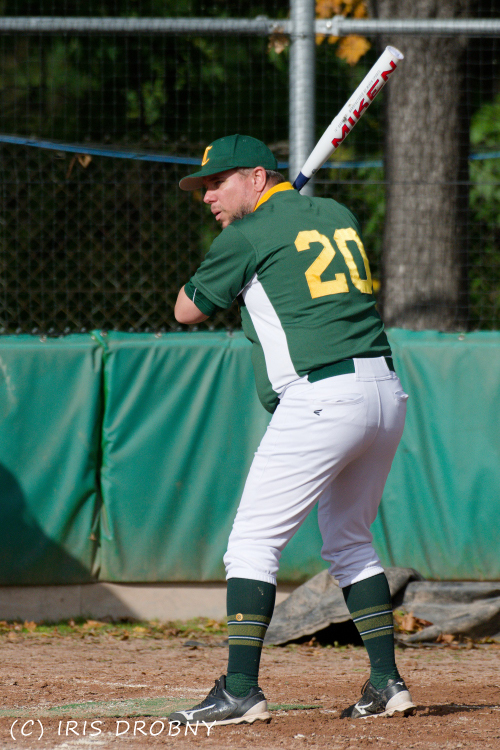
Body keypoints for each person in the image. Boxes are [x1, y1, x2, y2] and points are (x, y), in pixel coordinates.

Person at [168, 134, 415, 726]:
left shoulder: (246, 236)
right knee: (349, 541)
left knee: (251, 544)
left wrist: (245, 247)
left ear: (257, 177)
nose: (207, 196)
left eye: (218, 183)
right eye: (204, 187)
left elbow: (186, 309)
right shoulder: (335, 211)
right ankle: (386, 682)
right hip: (385, 392)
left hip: (323, 396)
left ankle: (239, 691)